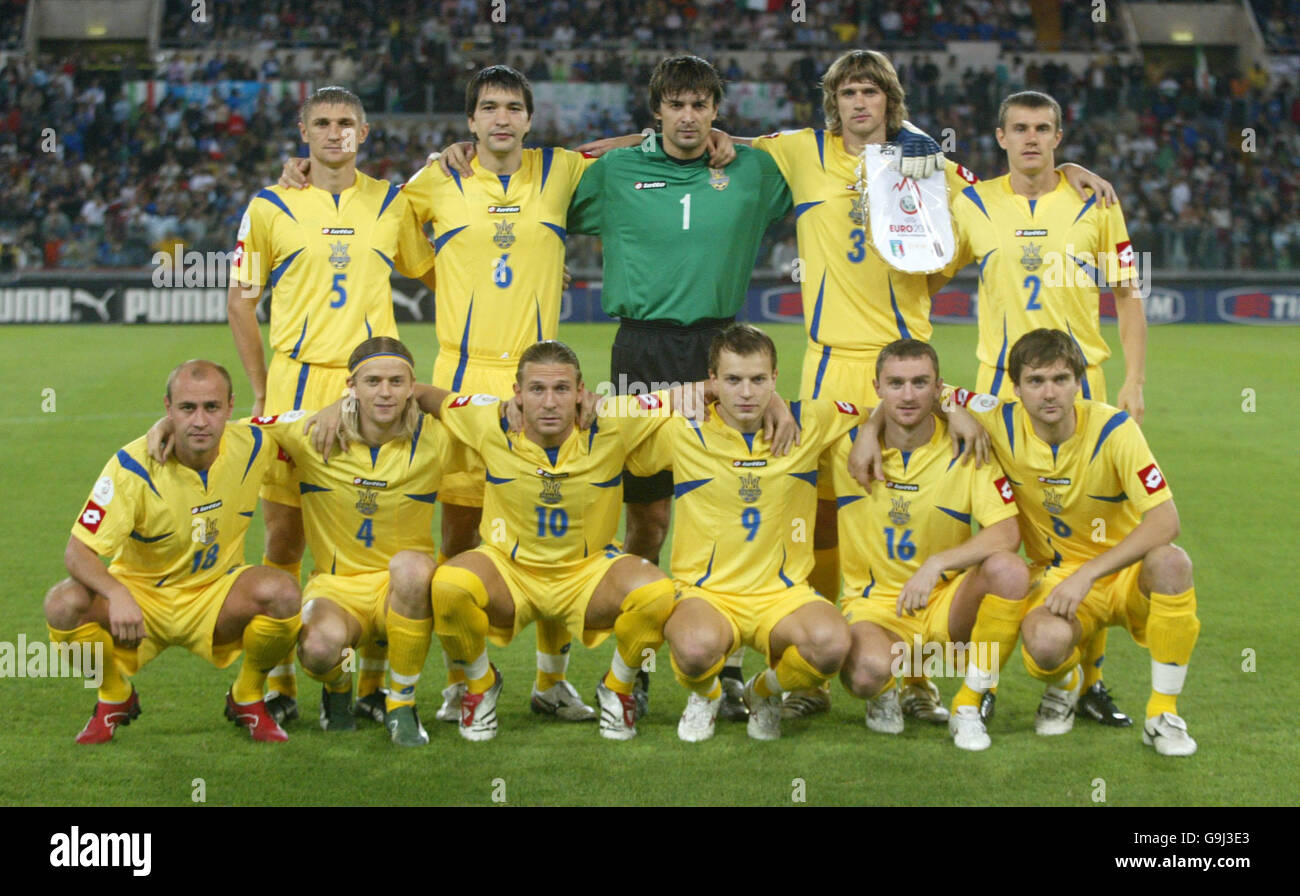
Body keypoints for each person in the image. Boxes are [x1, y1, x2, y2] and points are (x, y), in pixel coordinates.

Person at [732, 50, 1122, 722]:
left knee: (931, 508)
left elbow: (1000, 188)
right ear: (835, 101)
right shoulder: (799, 152)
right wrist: (643, 141)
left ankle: (916, 674)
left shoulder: (925, 163)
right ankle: (816, 671)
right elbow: (716, 140)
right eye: (848, 93)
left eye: (872, 92)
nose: (860, 104)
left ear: (890, 99)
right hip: (829, 366)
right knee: (826, 515)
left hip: (907, 364)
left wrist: (1073, 172)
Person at [284, 66, 602, 722]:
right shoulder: (432, 182)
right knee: (457, 533)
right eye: (489, 108)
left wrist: (703, 135)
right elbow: (371, 215)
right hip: (460, 381)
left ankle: (551, 679)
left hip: (539, 383)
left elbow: (630, 150)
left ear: (530, 119)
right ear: (470, 121)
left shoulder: (561, 169)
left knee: (560, 529)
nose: (502, 119)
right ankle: (465, 676)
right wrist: (305, 169)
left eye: (514, 107)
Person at [566, 55, 794, 720]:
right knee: (648, 517)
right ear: (656, 111)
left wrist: (743, 143)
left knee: (723, 508)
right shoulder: (615, 172)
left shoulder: (751, 170)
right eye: (676, 105)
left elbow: (839, 151)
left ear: (717, 109)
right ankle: (629, 665)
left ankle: (724, 666)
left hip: (722, 348)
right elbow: (535, 178)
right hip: (641, 347)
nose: (689, 117)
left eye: (701, 105)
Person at [856, 329, 1201, 756]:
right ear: (1015, 389)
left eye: (1060, 379)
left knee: (1171, 562)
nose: (1049, 392)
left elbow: (1166, 520)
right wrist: (874, 428)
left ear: (1079, 382)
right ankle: (1067, 683)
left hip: (1121, 571)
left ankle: (1162, 715)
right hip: (1054, 575)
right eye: (1035, 381)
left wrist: (1090, 573)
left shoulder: (1116, 428)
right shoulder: (998, 419)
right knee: (1045, 644)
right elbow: (921, 391)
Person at [231, 86, 437, 724]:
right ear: (303, 132)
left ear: (366, 131)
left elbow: (434, 273)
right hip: (298, 387)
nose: (334, 133)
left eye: (346, 122)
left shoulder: (391, 202)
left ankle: (370, 686)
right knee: (286, 536)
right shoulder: (270, 204)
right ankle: (284, 681)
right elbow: (241, 301)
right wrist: (265, 391)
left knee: (384, 535)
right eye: (322, 122)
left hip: (378, 386)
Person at [948, 90, 1146, 726]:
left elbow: (1127, 295)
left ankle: (1087, 682)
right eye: (1019, 129)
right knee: (993, 541)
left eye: (1043, 128)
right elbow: (923, 274)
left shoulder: (1096, 201)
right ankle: (979, 678)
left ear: (1059, 137)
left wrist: (1134, 381)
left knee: (1089, 538)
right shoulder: (971, 203)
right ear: (1000, 137)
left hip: (1078, 389)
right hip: (996, 397)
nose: (1031, 138)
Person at [424, 340, 683, 741]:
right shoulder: (488, 418)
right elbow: (424, 394)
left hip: (588, 574)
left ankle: (617, 689)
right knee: (447, 586)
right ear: (517, 394)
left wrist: (765, 401)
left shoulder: (613, 417)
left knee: (658, 593)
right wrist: (347, 404)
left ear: (581, 392)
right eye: (537, 390)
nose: (549, 402)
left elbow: (691, 397)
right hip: (509, 572)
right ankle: (480, 685)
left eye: (562, 389)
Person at [44, 361, 302, 744]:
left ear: (231, 407)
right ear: (167, 408)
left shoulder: (254, 443)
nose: (200, 420)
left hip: (216, 595)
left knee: (284, 593)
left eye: (211, 407)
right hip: (141, 599)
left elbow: (310, 419)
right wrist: (117, 594)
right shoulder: (132, 466)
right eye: (187, 408)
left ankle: (248, 695)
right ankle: (114, 694)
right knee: (62, 604)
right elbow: (77, 552)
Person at [637, 325, 862, 742]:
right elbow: (605, 413)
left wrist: (952, 407)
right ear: (712, 381)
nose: (746, 393)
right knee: (694, 649)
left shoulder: (808, 421)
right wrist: (671, 397)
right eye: (733, 380)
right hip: (707, 593)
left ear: (775, 379)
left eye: (759, 380)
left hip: (782, 595)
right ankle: (707, 693)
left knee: (831, 646)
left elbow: (886, 406)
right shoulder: (683, 430)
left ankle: (763, 691)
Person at [250, 338, 465, 745]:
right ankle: (339, 688)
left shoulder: (437, 438)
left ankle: (401, 704)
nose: (385, 392)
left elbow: (501, 414)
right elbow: (235, 433)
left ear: (411, 386)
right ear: (351, 385)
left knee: (416, 568)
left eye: (396, 381)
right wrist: (165, 426)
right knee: (318, 649)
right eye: (373, 381)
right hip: (336, 589)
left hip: (397, 590)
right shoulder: (311, 432)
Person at [829, 340, 1028, 750]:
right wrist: (868, 428)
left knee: (1009, 570)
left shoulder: (967, 447)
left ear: (939, 388)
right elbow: (767, 408)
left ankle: (969, 704)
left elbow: (1008, 534)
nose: (907, 395)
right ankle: (893, 687)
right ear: (877, 388)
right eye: (896, 383)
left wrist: (938, 563)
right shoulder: (843, 447)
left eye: (920, 383)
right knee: (866, 674)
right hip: (874, 607)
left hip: (943, 603)